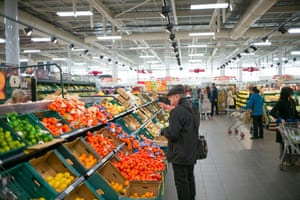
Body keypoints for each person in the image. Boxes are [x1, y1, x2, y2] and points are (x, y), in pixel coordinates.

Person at [162, 84, 200, 200]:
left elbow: (173, 134)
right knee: (189, 179)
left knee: (181, 183)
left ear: (177, 96)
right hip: (191, 150)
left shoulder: (177, 111)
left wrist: (163, 131)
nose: (169, 100)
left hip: (180, 153)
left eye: (171, 97)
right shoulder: (192, 107)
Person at [270, 87, 300, 165]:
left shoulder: (292, 101)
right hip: (285, 126)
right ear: (287, 94)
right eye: (291, 93)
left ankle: (296, 159)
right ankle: (286, 160)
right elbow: (272, 112)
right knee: (286, 143)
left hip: (293, 125)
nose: (292, 95)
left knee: (296, 142)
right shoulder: (281, 102)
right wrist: (280, 119)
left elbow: (295, 112)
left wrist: (298, 119)